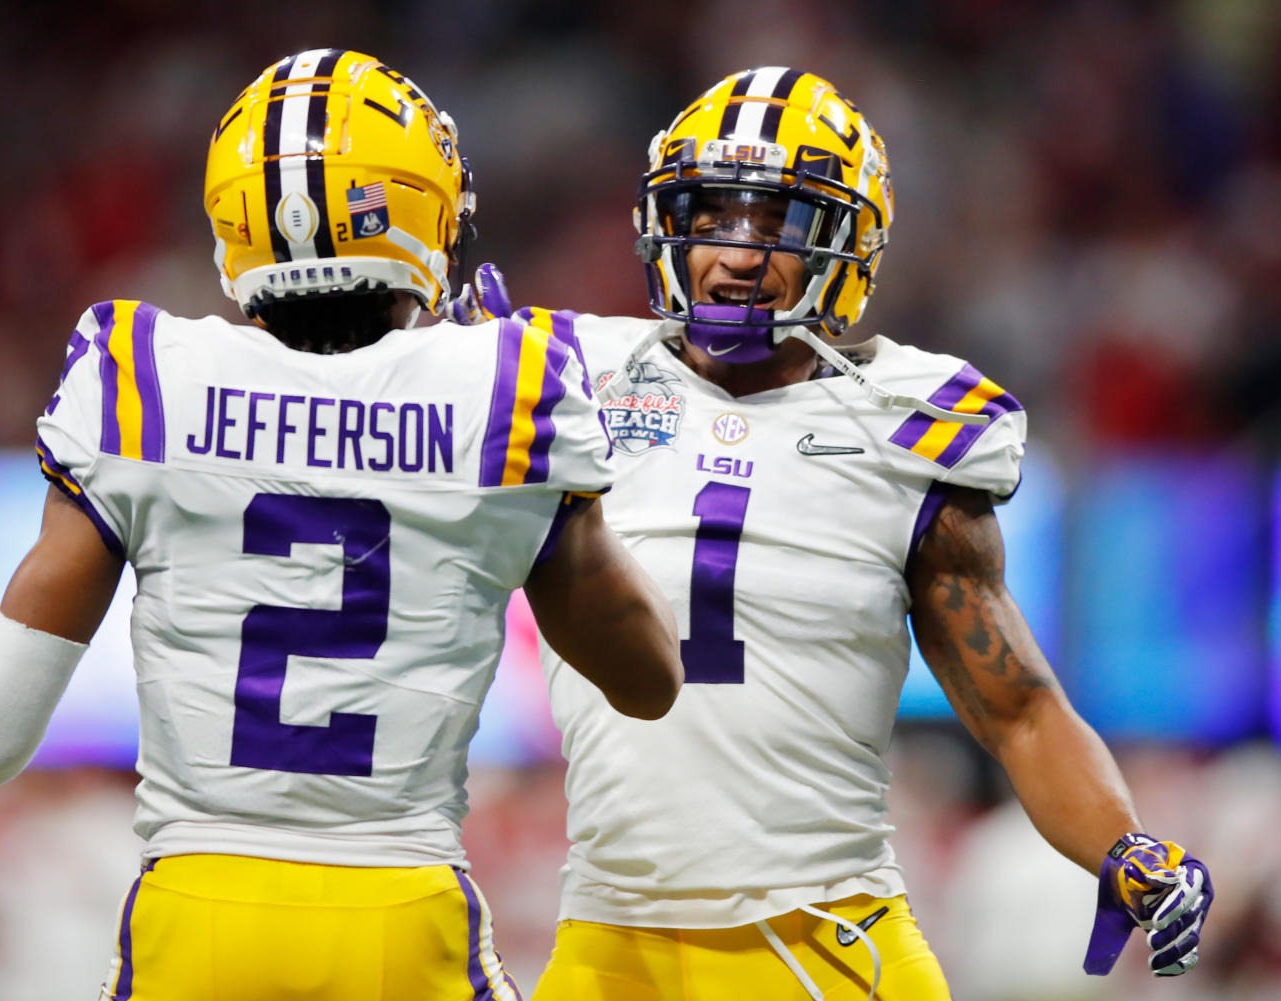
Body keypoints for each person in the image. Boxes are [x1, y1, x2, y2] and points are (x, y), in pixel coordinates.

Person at [0, 48, 683, 1001]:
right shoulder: (511, 386)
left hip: (198, 911)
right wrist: (555, 481)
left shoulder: (142, 372)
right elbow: (647, 680)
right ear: (419, 212)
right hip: (400, 911)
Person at [467, 67, 1213, 1000]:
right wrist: (441, 378)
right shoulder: (568, 373)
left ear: (844, 241)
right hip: (611, 937)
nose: (734, 255)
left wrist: (1124, 844)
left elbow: (1017, 707)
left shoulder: (908, 425)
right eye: (711, 217)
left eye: (775, 223)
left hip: (824, 939)